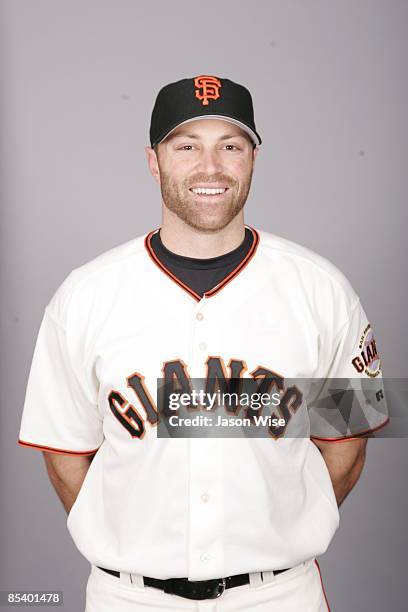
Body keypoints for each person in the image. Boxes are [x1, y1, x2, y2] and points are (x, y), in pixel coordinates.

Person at [18, 74, 389, 611]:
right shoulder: (83, 296)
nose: (210, 167)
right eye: (186, 146)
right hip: (130, 599)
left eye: (231, 146)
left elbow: (349, 444)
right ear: (154, 161)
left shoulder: (324, 289)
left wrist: (282, 530)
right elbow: (64, 452)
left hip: (279, 597)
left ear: (253, 159)